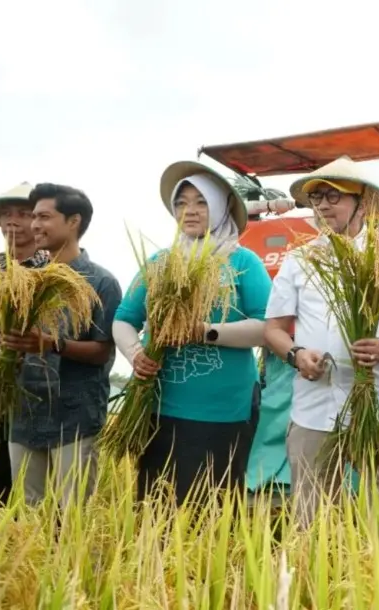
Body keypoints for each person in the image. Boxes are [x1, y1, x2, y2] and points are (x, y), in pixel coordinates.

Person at [264, 157, 379, 527]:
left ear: (363, 203)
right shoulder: (299, 260)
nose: (322, 205)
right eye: (317, 197)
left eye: (334, 196)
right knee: (310, 517)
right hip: (315, 406)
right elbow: (273, 329)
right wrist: (296, 355)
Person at [113, 161, 271, 506]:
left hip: (225, 409)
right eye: (181, 203)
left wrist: (205, 332)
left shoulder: (243, 262)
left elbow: (267, 327)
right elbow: (124, 318)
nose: (190, 211)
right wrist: (135, 354)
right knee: (157, 504)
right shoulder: (161, 262)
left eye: (201, 202)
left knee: (213, 506)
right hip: (159, 405)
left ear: (220, 207)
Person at [2, 183, 122, 510]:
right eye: (34, 217)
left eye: (44, 217)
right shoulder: (24, 279)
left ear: (73, 222)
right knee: (27, 513)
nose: (34, 225)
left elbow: (103, 351)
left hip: (75, 415)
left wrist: (52, 344)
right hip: (25, 412)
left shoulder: (101, 282)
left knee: (73, 514)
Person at [0, 183, 50, 505]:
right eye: (6, 214)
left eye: (22, 214)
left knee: (22, 478)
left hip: (33, 388)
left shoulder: (52, 270)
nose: (12, 221)